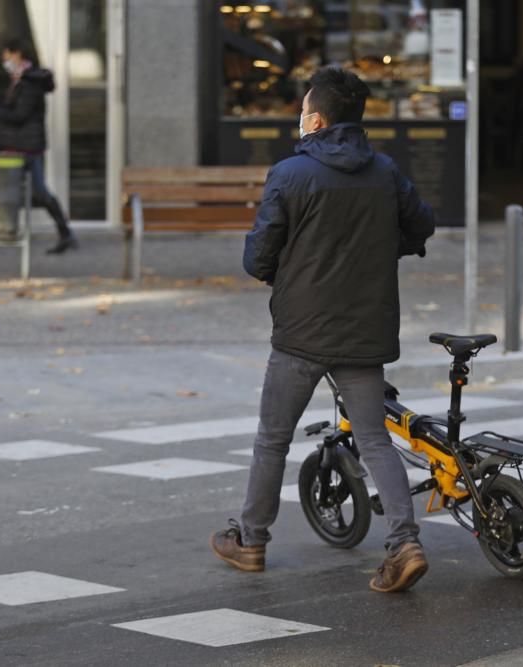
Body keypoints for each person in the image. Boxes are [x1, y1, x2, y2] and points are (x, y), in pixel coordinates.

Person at [211, 67, 436, 593]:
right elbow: (420, 224)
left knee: (272, 440)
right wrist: (387, 248)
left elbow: (256, 257)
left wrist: (281, 268)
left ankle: (250, 541)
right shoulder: (384, 171)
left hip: (301, 331)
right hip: (363, 329)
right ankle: (404, 543)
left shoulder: (290, 174)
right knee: (376, 439)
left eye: (302, 109)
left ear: (315, 118)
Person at [0, 38, 77, 255]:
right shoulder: (21, 79)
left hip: (24, 147)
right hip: (21, 145)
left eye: (7, 55)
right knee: (18, 190)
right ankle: (64, 233)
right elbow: (13, 109)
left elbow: (19, 115)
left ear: (18, 54)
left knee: (6, 189)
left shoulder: (29, 82)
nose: (4, 60)